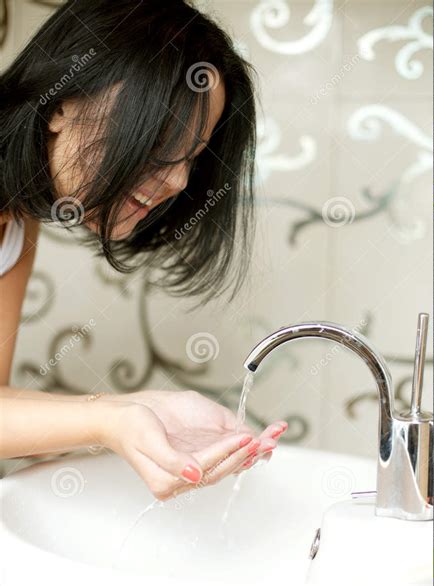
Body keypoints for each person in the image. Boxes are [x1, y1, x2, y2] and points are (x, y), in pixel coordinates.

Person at [0, 0, 287, 501]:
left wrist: (144, 412)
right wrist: (111, 419)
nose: (177, 179)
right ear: (61, 103)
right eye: (161, 139)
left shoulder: (15, 225)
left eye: (193, 156)